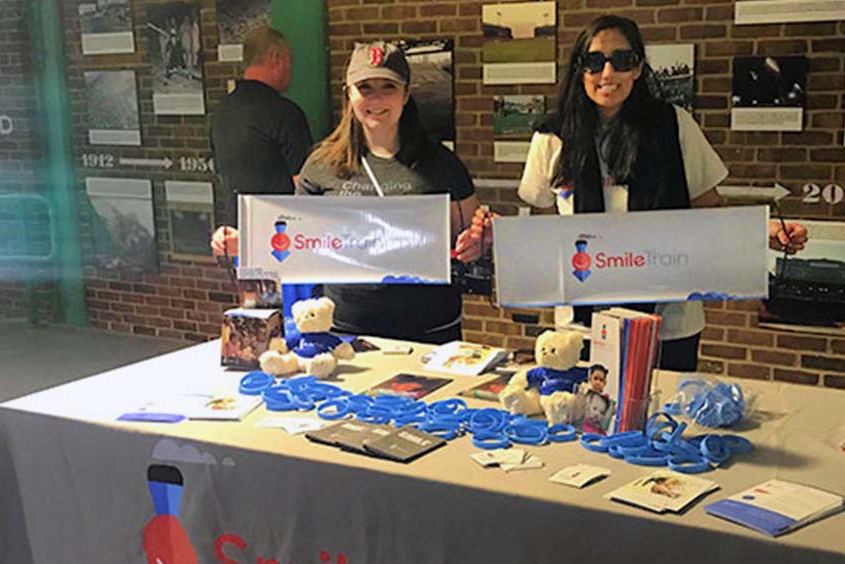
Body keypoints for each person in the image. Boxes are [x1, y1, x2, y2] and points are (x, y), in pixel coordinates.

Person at [512, 15, 807, 371]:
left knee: (664, 419)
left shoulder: (673, 124)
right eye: (594, 61)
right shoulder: (552, 137)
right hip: (582, 324)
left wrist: (763, 234)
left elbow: (707, 208)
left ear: (637, 67)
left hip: (669, 319)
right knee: (589, 418)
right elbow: (542, 221)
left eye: (621, 61)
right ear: (580, 69)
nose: (607, 73)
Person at [292, 41, 489, 343]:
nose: (377, 99)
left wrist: (477, 240)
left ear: (406, 94)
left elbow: (473, 237)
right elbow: (297, 241)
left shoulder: (442, 163)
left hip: (431, 331)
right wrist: (247, 241)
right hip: (346, 331)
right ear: (349, 94)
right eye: (365, 88)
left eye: (388, 87)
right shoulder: (321, 164)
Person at [210, 26, 313, 242]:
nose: (290, 70)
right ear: (277, 59)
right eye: (289, 62)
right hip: (282, 237)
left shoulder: (219, 112)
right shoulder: (286, 113)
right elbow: (304, 185)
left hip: (239, 233)